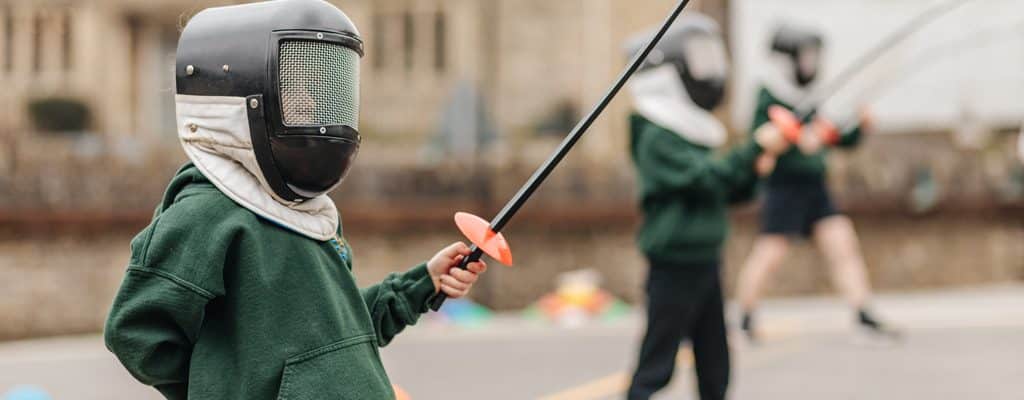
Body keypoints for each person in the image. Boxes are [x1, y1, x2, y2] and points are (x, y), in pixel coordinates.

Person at [103, 1, 486, 399]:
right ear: (240, 98)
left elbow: (335, 339)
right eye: (291, 86)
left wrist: (422, 283)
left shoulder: (308, 211)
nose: (308, 99)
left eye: (310, 86)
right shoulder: (207, 214)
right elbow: (135, 332)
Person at [624, 14, 790, 400]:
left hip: (705, 259)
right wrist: (753, 148)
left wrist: (755, 167)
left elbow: (726, 190)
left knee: (715, 361)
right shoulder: (655, 135)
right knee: (657, 364)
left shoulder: (688, 130)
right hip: (674, 263)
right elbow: (705, 180)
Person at [734, 24, 901, 343]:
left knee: (842, 244)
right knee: (769, 255)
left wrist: (858, 128)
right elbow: (760, 144)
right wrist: (796, 141)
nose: (810, 64)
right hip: (783, 188)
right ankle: (744, 316)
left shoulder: (811, 98)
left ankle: (863, 313)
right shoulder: (767, 95)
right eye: (804, 57)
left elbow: (833, 136)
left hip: (815, 187)